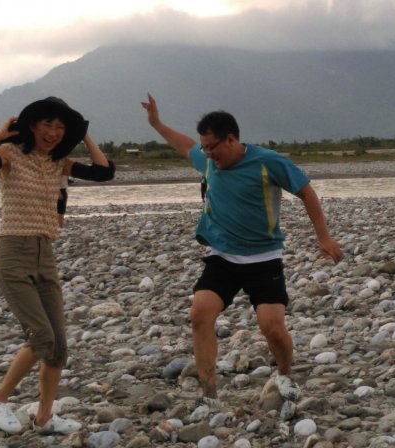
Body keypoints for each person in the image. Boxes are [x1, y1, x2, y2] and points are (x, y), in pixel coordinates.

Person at [141, 93, 343, 419]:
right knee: (200, 315)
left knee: (271, 327)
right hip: (222, 256)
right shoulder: (208, 159)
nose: (208, 154)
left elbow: (306, 191)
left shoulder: (268, 162)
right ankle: (209, 395)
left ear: (231, 140)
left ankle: (285, 375)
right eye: (205, 148)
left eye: (212, 147)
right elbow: (184, 145)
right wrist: (157, 124)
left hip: (263, 257)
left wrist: (324, 237)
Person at [0, 97, 115, 434]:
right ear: (32, 125)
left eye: (61, 127)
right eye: (48, 124)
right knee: (41, 336)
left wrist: (83, 135)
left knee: (58, 345)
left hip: (45, 255)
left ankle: (44, 417)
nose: (54, 132)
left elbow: (104, 172)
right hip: (13, 254)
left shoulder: (58, 163)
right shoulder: (9, 154)